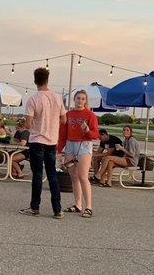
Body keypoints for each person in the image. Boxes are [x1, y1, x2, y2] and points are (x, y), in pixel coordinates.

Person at [19, 67, 66, 219]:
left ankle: (35, 207)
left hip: (37, 140)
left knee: (37, 175)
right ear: (47, 79)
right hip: (52, 141)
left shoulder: (33, 99)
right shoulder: (57, 98)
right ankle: (57, 209)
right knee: (52, 174)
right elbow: (64, 119)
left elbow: (27, 124)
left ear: (35, 80)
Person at [58, 90, 99, 219]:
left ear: (86, 101)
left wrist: (87, 130)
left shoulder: (90, 115)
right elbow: (63, 134)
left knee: (82, 176)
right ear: (74, 100)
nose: (80, 101)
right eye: (78, 98)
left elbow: (95, 135)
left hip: (84, 145)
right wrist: (59, 150)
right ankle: (78, 204)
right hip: (70, 145)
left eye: (82, 99)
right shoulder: (68, 114)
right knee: (73, 176)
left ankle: (89, 207)